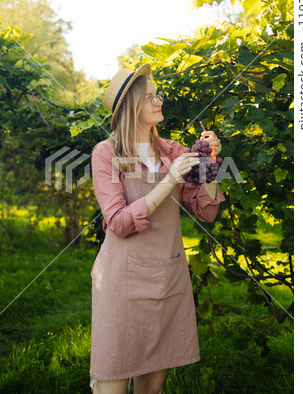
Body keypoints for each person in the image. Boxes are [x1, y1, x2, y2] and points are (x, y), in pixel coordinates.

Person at [89, 63, 225, 394]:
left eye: (157, 93)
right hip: (120, 284)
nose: (158, 100)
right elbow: (119, 222)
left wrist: (210, 165)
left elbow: (206, 212)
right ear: (131, 108)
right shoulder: (107, 154)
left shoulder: (173, 151)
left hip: (166, 279)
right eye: (150, 96)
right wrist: (171, 180)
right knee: (112, 385)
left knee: (152, 388)